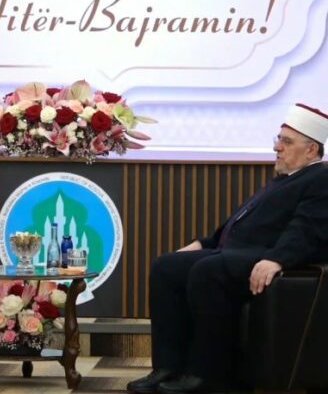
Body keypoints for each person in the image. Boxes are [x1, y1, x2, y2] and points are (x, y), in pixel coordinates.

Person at [127, 103, 328, 394]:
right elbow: (239, 224)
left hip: (268, 256)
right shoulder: (285, 180)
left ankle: (207, 375)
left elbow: (307, 229)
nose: (277, 147)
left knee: (208, 270)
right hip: (239, 253)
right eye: (278, 139)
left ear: (311, 150)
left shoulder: (320, 178)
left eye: (287, 142)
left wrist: (277, 259)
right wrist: (202, 243)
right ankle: (168, 366)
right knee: (166, 266)